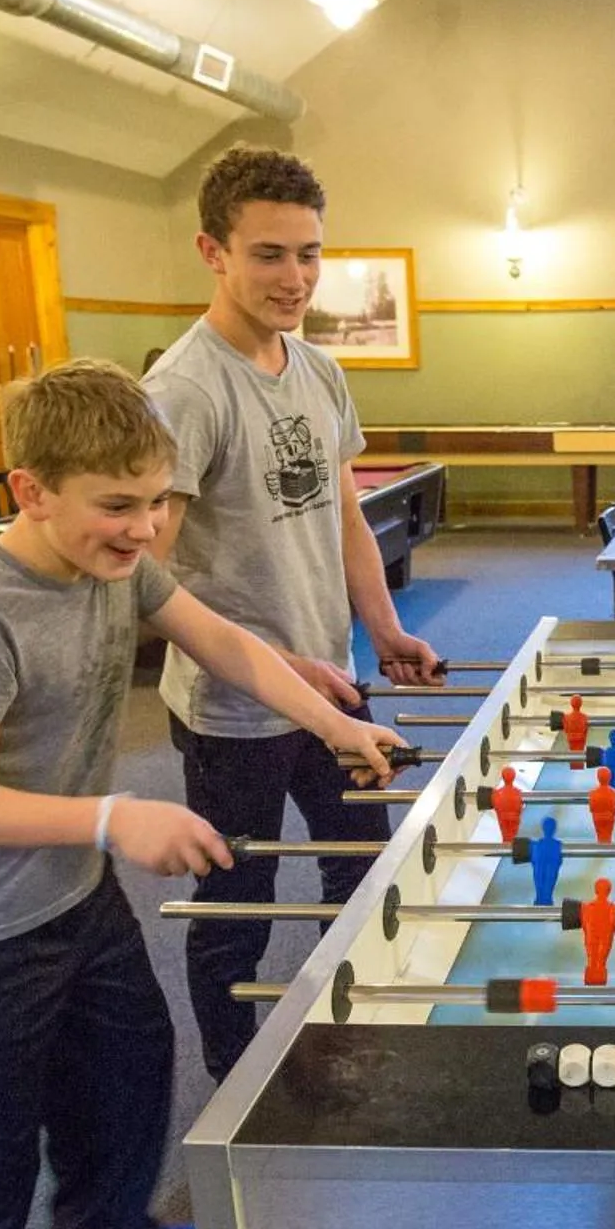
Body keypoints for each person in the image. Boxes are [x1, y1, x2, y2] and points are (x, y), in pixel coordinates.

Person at [0, 360, 402, 1229]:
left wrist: (337, 722)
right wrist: (120, 816)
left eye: (158, 500)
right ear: (28, 490)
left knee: (126, 1072)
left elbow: (223, 642)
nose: (146, 527)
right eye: (118, 506)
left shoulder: (122, 565)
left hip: (75, 896)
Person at [144, 144, 443, 1082]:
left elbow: (346, 512)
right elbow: (147, 578)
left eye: (310, 254)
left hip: (334, 683)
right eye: (269, 254)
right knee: (241, 907)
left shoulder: (318, 368)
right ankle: (240, 1092)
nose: (296, 278)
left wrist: (383, 628)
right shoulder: (184, 391)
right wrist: (275, 663)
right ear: (213, 251)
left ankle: (355, 1040)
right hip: (233, 709)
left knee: (367, 870)